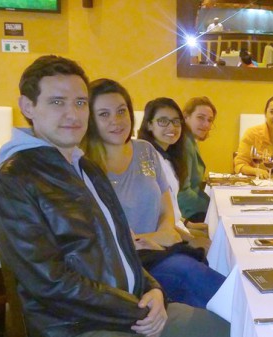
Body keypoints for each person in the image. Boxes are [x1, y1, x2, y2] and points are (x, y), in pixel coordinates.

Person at [0, 55, 235, 337]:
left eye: (80, 103)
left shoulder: (84, 166)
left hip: (130, 311)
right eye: (57, 102)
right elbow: (49, 282)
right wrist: (134, 309)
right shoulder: (15, 178)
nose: (73, 114)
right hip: (72, 335)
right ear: (28, 106)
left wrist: (153, 289)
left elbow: (123, 246)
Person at [82, 78, 224, 309]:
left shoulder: (145, 151)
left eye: (121, 111)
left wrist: (164, 234)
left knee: (204, 280)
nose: (116, 121)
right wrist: (159, 238)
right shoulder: (84, 165)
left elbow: (166, 209)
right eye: (104, 114)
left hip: (161, 252)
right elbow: (98, 235)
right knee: (190, 275)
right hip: (124, 263)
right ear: (90, 119)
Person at [139, 97, 211, 249]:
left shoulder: (168, 157)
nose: (171, 127)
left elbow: (170, 206)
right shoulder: (148, 162)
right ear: (149, 124)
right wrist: (190, 239)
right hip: (163, 237)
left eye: (175, 121)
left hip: (177, 227)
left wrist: (187, 224)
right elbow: (156, 216)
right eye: (163, 121)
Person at [179, 96, 216, 224]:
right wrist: (213, 207)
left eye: (210, 120)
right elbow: (183, 194)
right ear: (186, 117)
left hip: (192, 207)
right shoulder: (184, 144)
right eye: (200, 118)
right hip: (186, 213)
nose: (206, 124)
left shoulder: (190, 140)